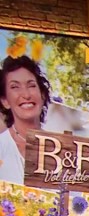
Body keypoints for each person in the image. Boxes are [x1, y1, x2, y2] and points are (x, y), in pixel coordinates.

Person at [0, 56, 51, 184]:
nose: (26, 95)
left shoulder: (65, 151)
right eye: (15, 87)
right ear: (5, 101)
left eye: (31, 85)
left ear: (42, 95)